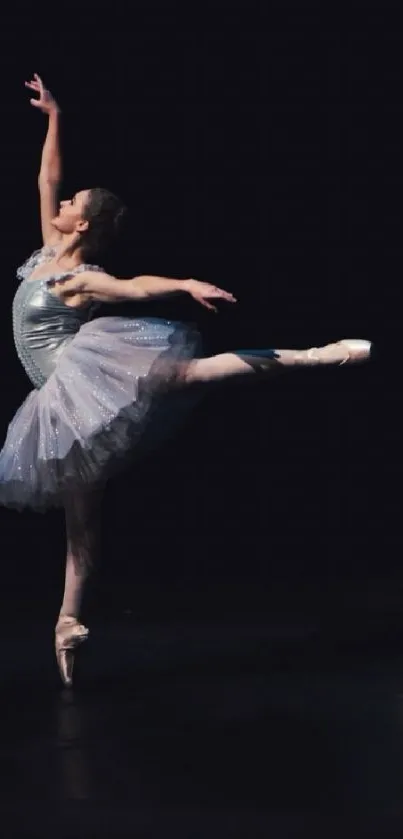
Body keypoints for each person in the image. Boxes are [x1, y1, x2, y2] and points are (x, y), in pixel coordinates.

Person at [0, 75, 372, 687]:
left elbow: (134, 287)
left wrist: (183, 284)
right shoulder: (46, 250)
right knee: (82, 519)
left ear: (83, 227)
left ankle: (318, 354)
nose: (62, 206)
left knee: (192, 372)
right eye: (67, 205)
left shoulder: (81, 277)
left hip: (82, 378)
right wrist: (55, 117)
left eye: (73, 206)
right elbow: (47, 179)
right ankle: (67, 624)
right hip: (55, 401)